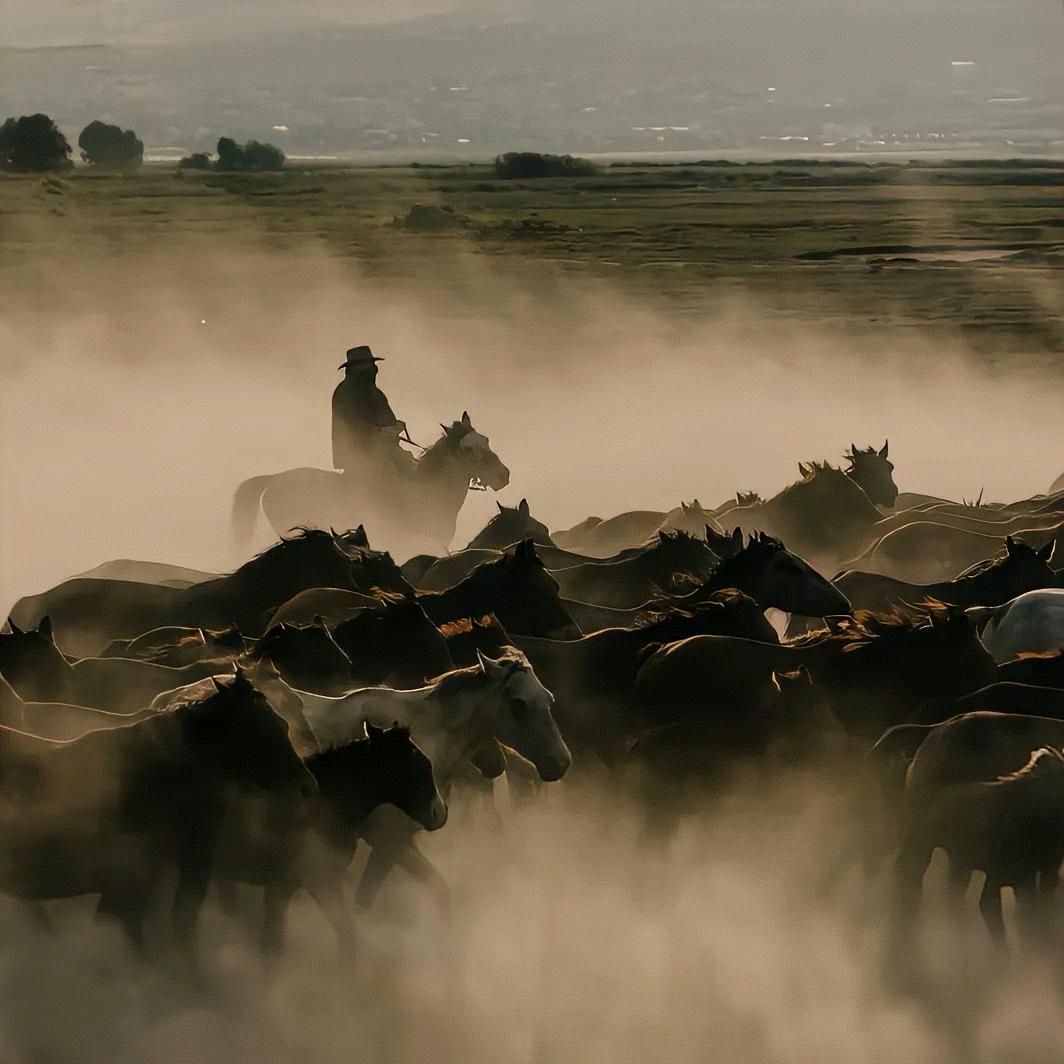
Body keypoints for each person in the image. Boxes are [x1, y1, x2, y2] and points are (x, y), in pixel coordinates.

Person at [331, 345, 415, 479]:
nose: (372, 368)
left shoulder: (373, 391)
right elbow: (350, 424)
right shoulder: (346, 392)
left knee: (408, 464)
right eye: (367, 364)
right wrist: (381, 431)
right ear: (355, 368)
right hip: (359, 452)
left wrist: (394, 425)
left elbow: (384, 418)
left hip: (380, 450)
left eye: (371, 364)